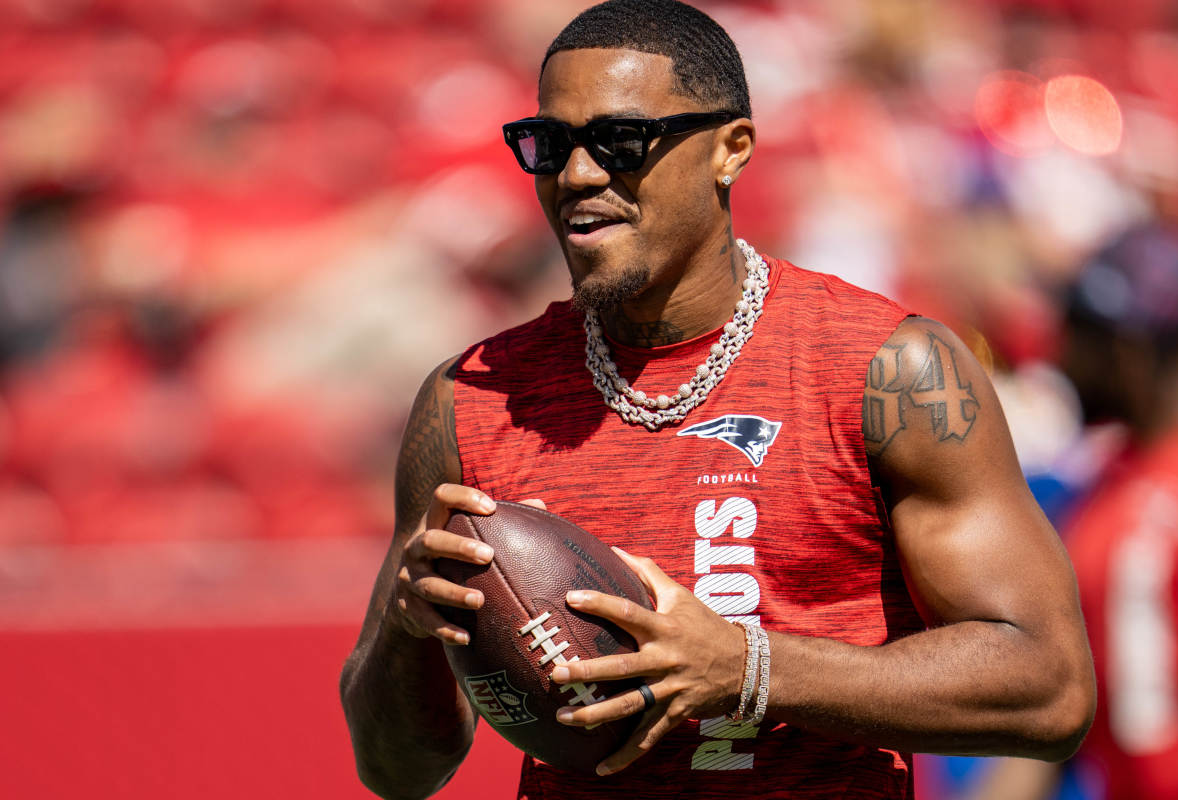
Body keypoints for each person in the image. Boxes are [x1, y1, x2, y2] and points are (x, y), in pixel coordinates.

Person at [339, 2, 1095, 798]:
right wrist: (407, 630)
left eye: (621, 141)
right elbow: (396, 774)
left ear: (730, 149)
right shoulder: (472, 399)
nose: (578, 175)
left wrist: (748, 669)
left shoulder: (887, 369)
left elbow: (1049, 690)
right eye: (550, 146)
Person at [961, 225, 1178, 800]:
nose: (1061, 360)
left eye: (1075, 337)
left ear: (1127, 350)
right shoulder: (1101, 491)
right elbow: (1062, 711)